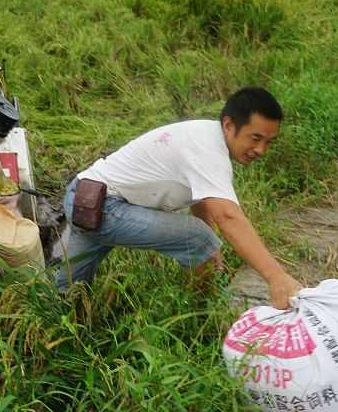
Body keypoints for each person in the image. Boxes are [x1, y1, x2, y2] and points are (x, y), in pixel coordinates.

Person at [57, 86, 302, 309]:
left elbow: (201, 197)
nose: (261, 150)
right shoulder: (207, 151)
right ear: (229, 125)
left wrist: (209, 248)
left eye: (269, 142)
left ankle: (53, 319)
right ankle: (195, 315)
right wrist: (276, 278)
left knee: (66, 296)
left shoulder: (205, 135)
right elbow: (229, 217)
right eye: (255, 138)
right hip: (105, 207)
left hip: (84, 197)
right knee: (195, 237)